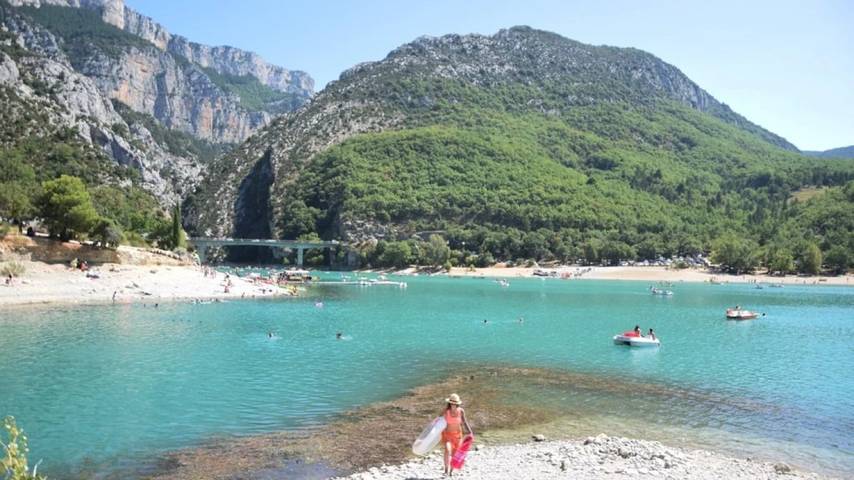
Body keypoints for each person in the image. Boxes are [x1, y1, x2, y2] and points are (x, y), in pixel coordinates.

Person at [440, 394, 473, 476]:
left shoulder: (461, 411)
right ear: (449, 403)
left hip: (457, 436)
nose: (453, 404)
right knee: (447, 450)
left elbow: (465, 422)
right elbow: (439, 420)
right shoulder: (446, 411)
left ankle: (451, 472)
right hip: (447, 434)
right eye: (451, 403)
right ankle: (446, 470)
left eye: (454, 403)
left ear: (457, 403)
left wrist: (470, 431)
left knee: (455, 454)